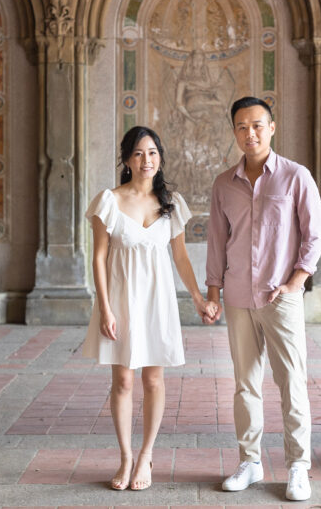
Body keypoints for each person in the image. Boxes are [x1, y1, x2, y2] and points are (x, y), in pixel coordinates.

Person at [83, 126, 219, 491]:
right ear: (127, 160)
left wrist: (198, 297)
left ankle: (146, 454)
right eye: (139, 153)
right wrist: (105, 309)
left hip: (157, 302)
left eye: (153, 153)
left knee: (153, 379)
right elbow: (98, 259)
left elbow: (181, 258)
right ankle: (126, 456)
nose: (147, 160)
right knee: (123, 380)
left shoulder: (171, 203)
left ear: (160, 158)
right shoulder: (108, 201)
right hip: (120, 300)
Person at [204, 96, 321, 502]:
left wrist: (296, 282)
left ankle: (298, 467)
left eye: (257, 125)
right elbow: (218, 243)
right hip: (238, 297)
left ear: (272, 128)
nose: (250, 133)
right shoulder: (224, 184)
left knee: (291, 381)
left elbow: (316, 235)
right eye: (242, 126)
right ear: (235, 132)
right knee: (245, 384)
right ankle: (250, 461)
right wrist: (213, 292)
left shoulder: (295, 177)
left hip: (281, 297)